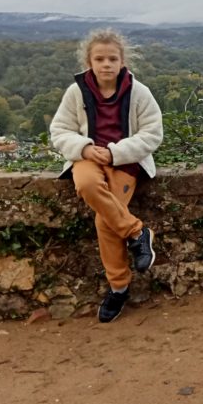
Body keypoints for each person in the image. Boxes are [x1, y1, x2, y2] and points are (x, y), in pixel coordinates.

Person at [50, 29, 163, 323]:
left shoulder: (139, 92)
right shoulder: (76, 92)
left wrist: (115, 153)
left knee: (105, 220)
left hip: (125, 162)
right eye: (99, 59)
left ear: (122, 61)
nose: (106, 64)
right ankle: (138, 233)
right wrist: (85, 148)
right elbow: (59, 131)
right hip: (88, 158)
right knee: (87, 183)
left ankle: (118, 288)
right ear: (89, 61)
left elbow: (152, 133)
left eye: (112, 58)